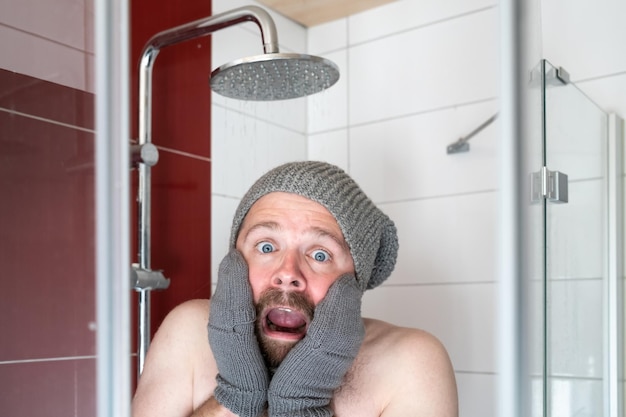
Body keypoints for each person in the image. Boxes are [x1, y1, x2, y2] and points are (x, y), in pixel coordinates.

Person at [132, 161, 458, 417]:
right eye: (266, 247)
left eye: (320, 254)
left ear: (356, 277)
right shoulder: (189, 331)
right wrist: (233, 400)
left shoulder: (410, 362)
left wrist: (300, 407)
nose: (287, 274)